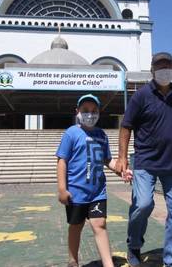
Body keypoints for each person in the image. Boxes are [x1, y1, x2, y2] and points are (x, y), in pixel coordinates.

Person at [115, 52, 172, 267]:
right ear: (152, 70)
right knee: (142, 205)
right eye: (160, 66)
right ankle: (134, 244)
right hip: (145, 163)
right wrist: (122, 157)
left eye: (168, 65)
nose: (164, 69)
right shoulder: (141, 95)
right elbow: (126, 126)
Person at [56, 94, 132, 267]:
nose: (90, 114)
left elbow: (108, 160)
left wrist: (122, 171)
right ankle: (73, 260)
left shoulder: (101, 135)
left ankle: (108, 264)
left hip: (98, 191)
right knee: (76, 226)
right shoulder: (71, 133)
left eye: (94, 111)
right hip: (76, 193)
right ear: (77, 112)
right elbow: (62, 161)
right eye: (85, 111)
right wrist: (62, 189)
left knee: (100, 224)